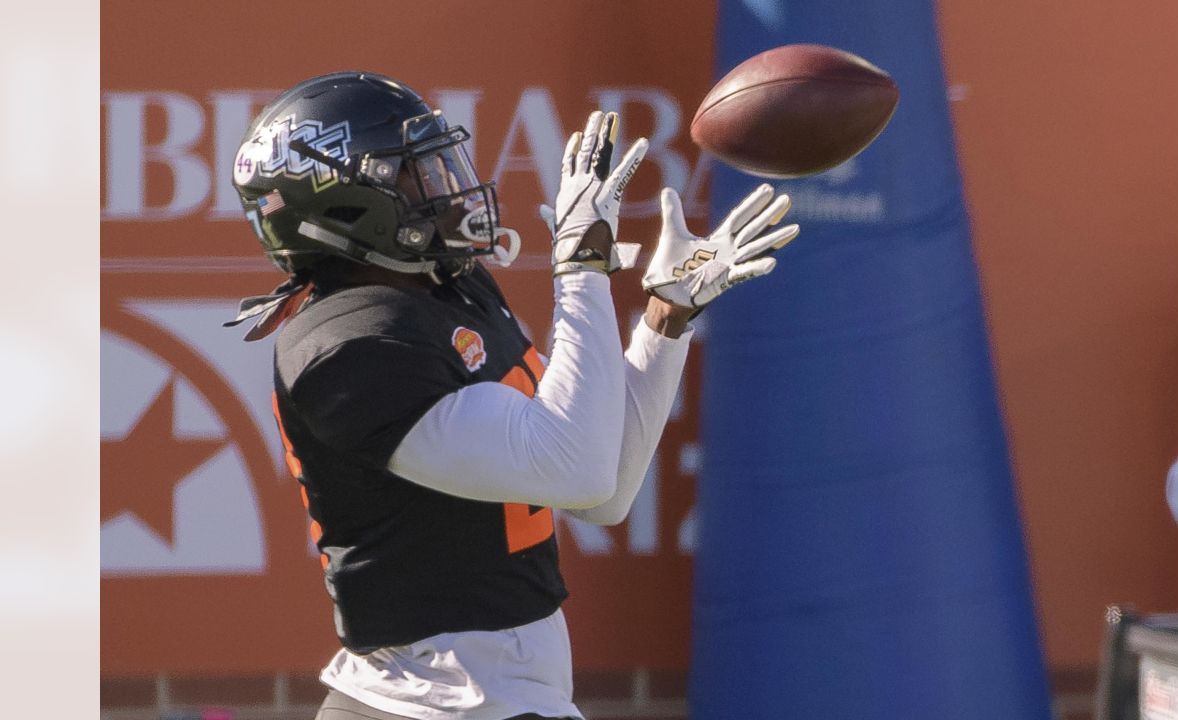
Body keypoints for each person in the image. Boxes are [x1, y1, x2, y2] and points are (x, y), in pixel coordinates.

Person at [227, 71, 800, 720]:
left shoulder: (452, 288)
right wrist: (582, 265)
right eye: (416, 171)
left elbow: (602, 487)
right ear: (347, 203)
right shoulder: (346, 343)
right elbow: (574, 467)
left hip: (501, 701)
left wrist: (664, 320)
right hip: (425, 706)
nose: (448, 185)